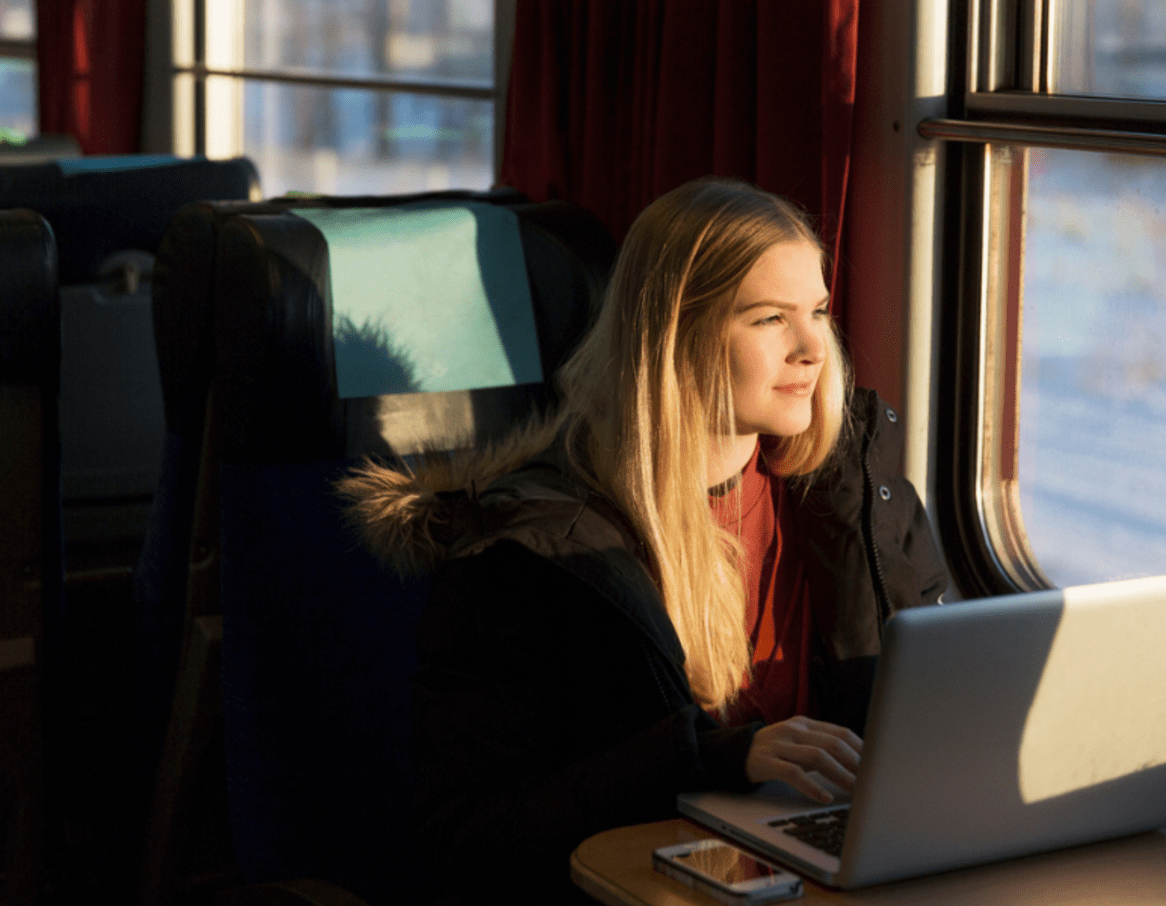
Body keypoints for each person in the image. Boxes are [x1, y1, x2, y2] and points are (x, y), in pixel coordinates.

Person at [340, 177, 947, 903]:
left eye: (817, 311)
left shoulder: (857, 493)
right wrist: (706, 757)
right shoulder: (538, 553)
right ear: (675, 337)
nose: (814, 348)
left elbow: (937, 693)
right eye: (767, 320)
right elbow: (469, 834)